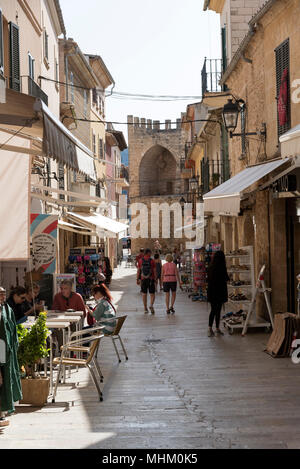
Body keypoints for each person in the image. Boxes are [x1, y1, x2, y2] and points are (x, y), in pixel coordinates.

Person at [207, 250, 229, 337]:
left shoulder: (210, 267)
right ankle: (217, 328)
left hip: (212, 292)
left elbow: (208, 279)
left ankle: (209, 328)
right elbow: (226, 278)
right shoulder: (222, 267)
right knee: (218, 310)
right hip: (220, 292)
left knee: (213, 310)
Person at [137, 248, 156, 314]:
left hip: (143, 279)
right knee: (152, 294)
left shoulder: (140, 261)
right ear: (148, 253)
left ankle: (145, 308)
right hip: (150, 279)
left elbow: (139, 270)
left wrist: (137, 279)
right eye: (150, 253)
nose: (151, 254)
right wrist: (155, 279)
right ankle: (151, 305)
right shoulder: (152, 261)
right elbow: (154, 270)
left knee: (144, 294)